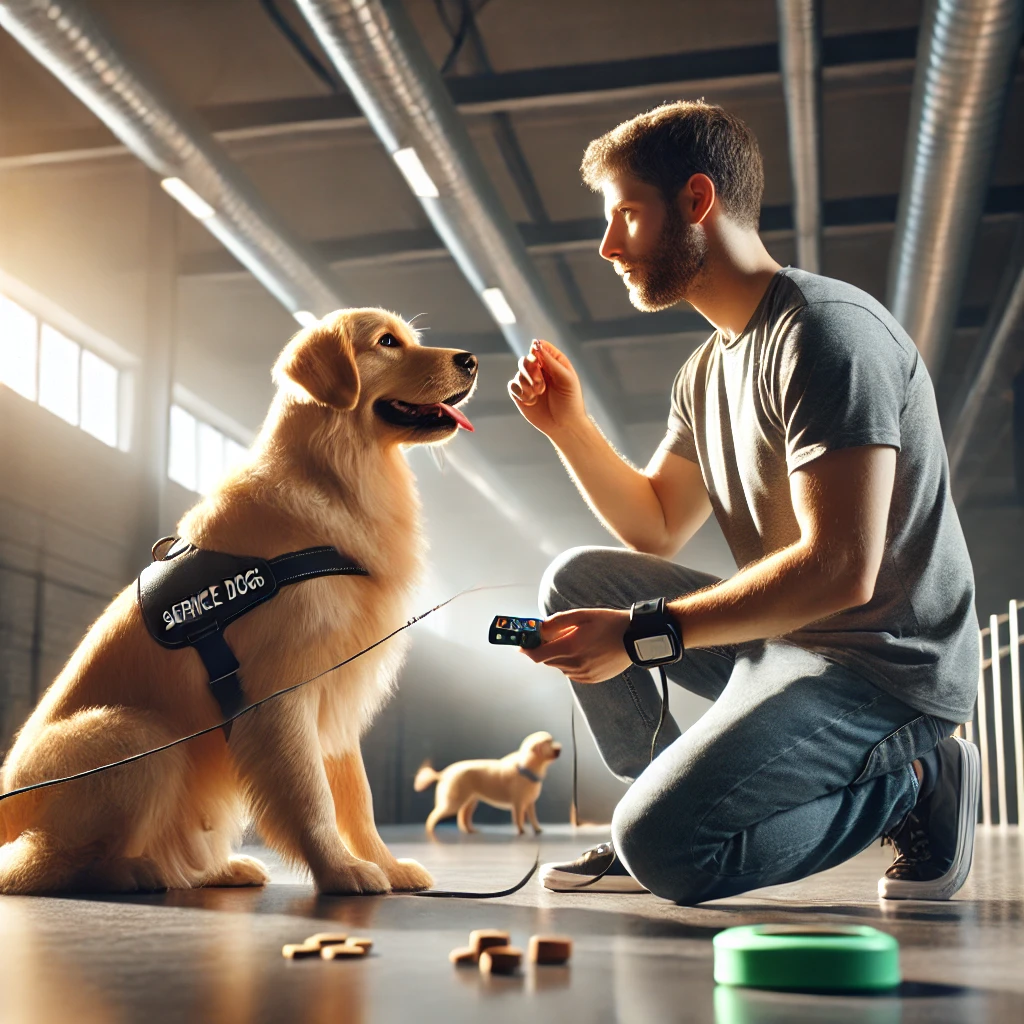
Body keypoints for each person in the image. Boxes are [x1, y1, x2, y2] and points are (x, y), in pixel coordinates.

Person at [507, 100, 981, 903]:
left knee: (671, 851)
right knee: (575, 580)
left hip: (882, 668)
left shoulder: (826, 333)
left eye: (627, 213)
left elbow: (840, 570)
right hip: (785, 642)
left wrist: (640, 634)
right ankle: (655, 795)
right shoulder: (705, 370)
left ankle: (917, 777)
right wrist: (570, 428)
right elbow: (655, 524)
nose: (607, 245)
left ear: (697, 202)